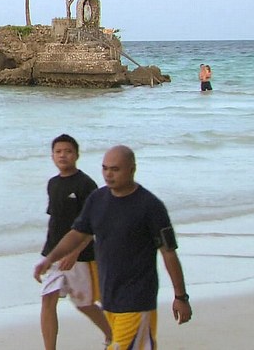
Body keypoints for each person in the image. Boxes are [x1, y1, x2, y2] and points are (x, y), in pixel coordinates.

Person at [34, 145, 192, 350]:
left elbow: (168, 253)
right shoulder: (97, 200)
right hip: (110, 299)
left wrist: (180, 297)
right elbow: (77, 233)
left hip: (137, 300)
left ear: (132, 169)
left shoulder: (150, 206)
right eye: (105, 168)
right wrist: (50, 258)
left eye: (115, 169)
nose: (108, 174)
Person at [38, 134, 111, 350]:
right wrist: (47, 256)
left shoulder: (85, 184)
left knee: (84, 303)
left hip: (81, 256)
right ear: (52, 156)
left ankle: (112, 335)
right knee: (47, 299)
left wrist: (75, 252)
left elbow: (93, 225)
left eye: (68, 151)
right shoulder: (52, 183)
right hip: (54, 253)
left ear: (77, 155)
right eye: (58, 152)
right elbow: (55, 219)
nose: (63, 155)